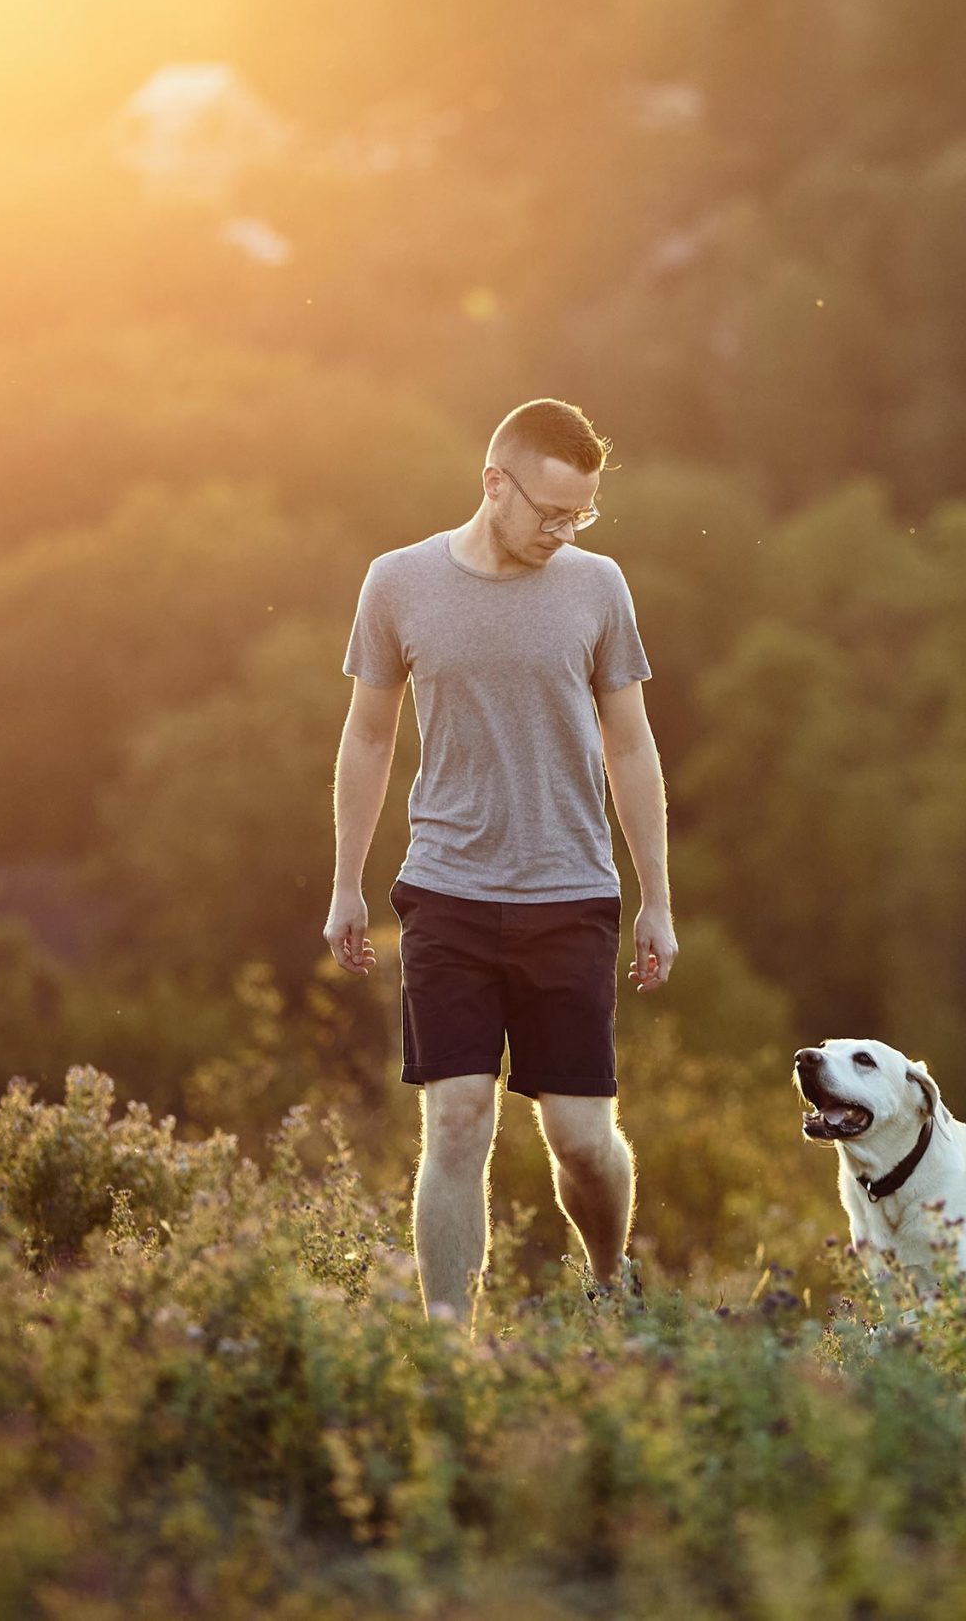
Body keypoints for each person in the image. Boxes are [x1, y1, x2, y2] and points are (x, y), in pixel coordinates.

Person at [323, 398, 676, 1325]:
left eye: (580, 516)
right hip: (447, 890)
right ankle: (449, 1345)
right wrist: (346, 883)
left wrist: (657, 901)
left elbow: (631, 747)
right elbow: (366, 737)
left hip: (572, 893)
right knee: (458, 1121)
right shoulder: (396, 582)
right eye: (550, 513)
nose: (563, 533)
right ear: (494, 483)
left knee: (582, 1140)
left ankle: (609, 1283)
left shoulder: (599, 586)